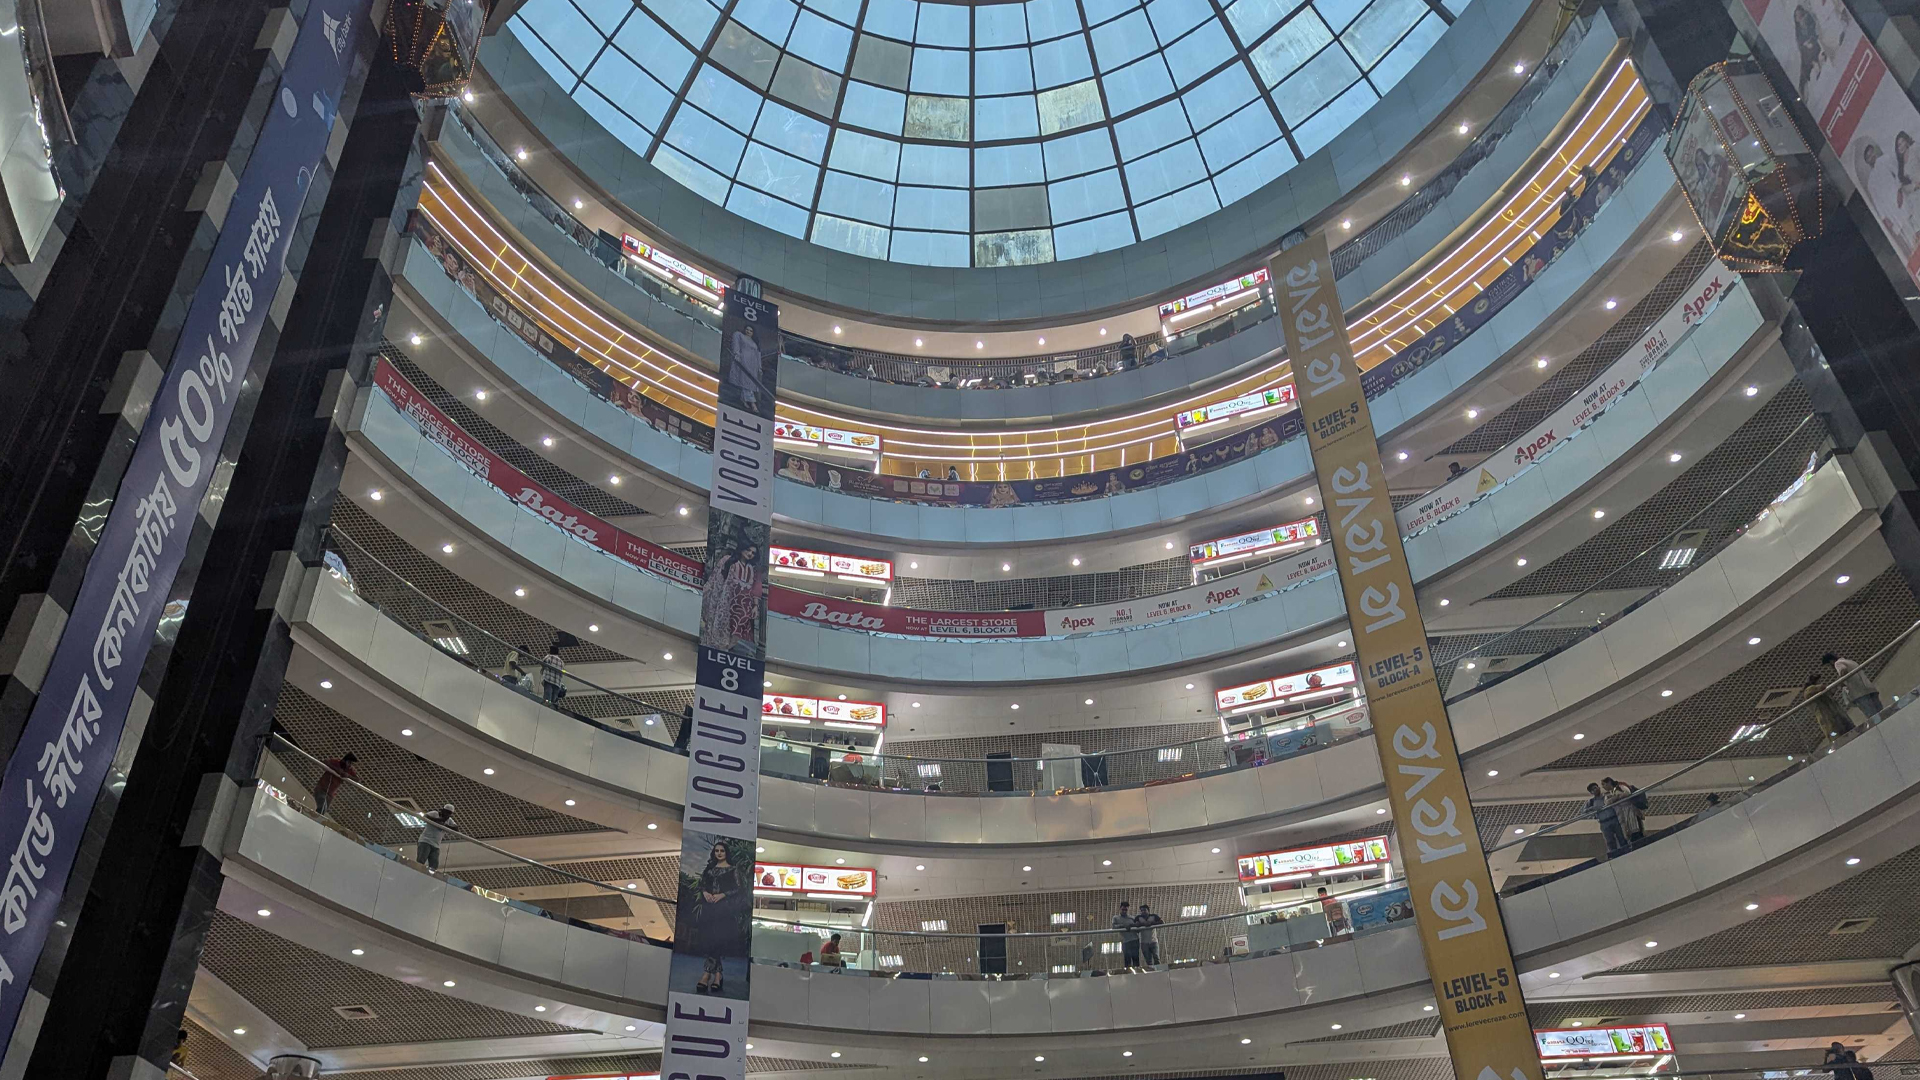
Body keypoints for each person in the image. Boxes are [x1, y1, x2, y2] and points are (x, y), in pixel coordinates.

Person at [687, 840, 749, 994]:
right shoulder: (709, 869)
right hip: (709, 910)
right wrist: (705, 893)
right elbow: (702, 885)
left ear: (726, 852)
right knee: (711, 940)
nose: (719, 853)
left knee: (717, 940)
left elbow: (739, 888)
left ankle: (707, 974)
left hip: (724, 910)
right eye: (717, 851)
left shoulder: (733, 869)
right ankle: (718, 975)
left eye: (722, 851)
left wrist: (723, 895)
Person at [1824, 653, 1885, 722]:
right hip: (1869, 688)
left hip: (1859, 693)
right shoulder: (1850, 661)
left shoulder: (1837, 664)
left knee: (1873, 716)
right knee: (1882, 713)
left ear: (1831, 661)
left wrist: (1839, 683)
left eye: (1828, 666)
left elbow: (1843, 670)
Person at [1798, 671, 1854, 740]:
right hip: (1826, 718)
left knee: (1849, 730)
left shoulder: (1819, 692)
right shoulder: (1809, 690)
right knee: (1836, 737)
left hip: (1836, 714)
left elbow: (1830, 692)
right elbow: (1820, 688)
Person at [313, 751, 358, 816]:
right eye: (349, 762)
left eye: (351, 763)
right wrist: (336, 770)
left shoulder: (349, 769)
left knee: (323, 811)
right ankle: (315, 819)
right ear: (345, 760)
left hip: (330, 795)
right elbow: (325, 761)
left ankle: (315, 818)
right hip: (321, 789)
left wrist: (348, 775)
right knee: (322, 807)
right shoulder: (336, 762)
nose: (350, 765)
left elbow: (357, 779)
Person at [1586, 782, 1627, 854]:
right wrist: (1592, 809)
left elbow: (1618, 798)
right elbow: (1584, 812)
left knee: (1621, 837)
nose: (1595, 790)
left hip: (1614, 819)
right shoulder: (1591, 802)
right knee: (1610, 841)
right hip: (1603, 822)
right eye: (1592, 790)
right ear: (1591, 792)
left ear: (1599, 788)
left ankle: (1626, 851)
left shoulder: (1608, 795)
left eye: (1595, 787)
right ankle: (1614, 855)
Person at [1604, 777, 1646, 843]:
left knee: (1636, 829)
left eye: (1604, 784)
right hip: (1623, 812)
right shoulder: (1611, 792)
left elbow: (1627, 793)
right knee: (1629, 831)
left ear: (1609, 782)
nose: (1603, 787)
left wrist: (1617, 797)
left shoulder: (1620, 786)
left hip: (1631, 809)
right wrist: (1615, 798)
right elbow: (1607, 802)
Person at [417, 803, 458, 871]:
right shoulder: (434, 813)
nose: (447, 815)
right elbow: (425, 816)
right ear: (443, 810)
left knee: (434, 865)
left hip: (436, 845)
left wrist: (445, 825)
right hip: (426, 841)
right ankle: (417, 871)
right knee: (421, 860)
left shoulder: (449, 820)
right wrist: (439, 820)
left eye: (449, 813)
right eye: (446, 812)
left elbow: (456, 828)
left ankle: (430, 876)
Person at [1113, 901, 1141, 967]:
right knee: (1127, 959)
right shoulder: (1116, 918)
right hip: (1125, 941)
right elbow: (1114, 927)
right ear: (1120, 909)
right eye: (1123, 909)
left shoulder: (1132, 918)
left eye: (1126, 910)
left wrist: (1134, 925)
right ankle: (1128, 972)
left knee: (1136, 959)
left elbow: (1138, 929)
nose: (1124, 911)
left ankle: (1137, 971)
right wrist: (1124, 926)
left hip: (1135, 940)